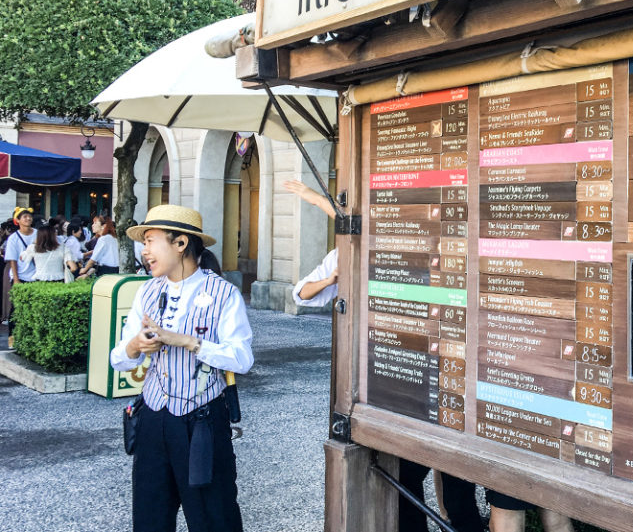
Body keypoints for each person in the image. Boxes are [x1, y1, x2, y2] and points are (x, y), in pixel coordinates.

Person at [284, 180, 487, 532]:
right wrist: (334, 276)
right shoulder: (344, 255)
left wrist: (315, 199)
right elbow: (302, 293)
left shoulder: (428, 244)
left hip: (444, 368)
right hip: (395, 374)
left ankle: (461, 523)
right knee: (408, 473)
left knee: (453, 473)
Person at [110, 204, 253, 532]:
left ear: (180, 244)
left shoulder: (224, 294)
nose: (144, 251)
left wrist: (188, 341)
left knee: (213, 517)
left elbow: (242, 358)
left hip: (202, 420)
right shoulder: (146, 291)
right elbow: (118, 358)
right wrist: (135, 346)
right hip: (152, 418)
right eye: (143, 242)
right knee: (150, 516)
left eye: (150, 240)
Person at [4, 208, 37, 343]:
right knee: (16, 309)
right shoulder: (13, 238)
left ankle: (30, 339)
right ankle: (12, 338)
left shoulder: (38, 234)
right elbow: (13, 260)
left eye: (29, 216)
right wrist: (16, 279)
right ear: (17, 220)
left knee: (34, 308)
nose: (28, 219)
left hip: (36, 276)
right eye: (24, 217)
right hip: (21, 277)